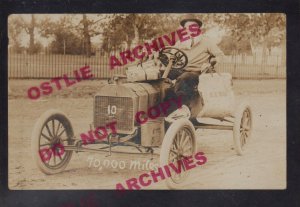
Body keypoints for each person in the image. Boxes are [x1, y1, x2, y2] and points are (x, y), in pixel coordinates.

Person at [171, 14, 224, 108]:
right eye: (187, 27)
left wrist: (212, 62)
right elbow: (171, 54)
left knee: (184, 78)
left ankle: (180, 107)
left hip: (197, 73)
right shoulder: (180, 43)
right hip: (181, 70)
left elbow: (220, 55)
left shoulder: (206, 42)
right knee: (161, 76)